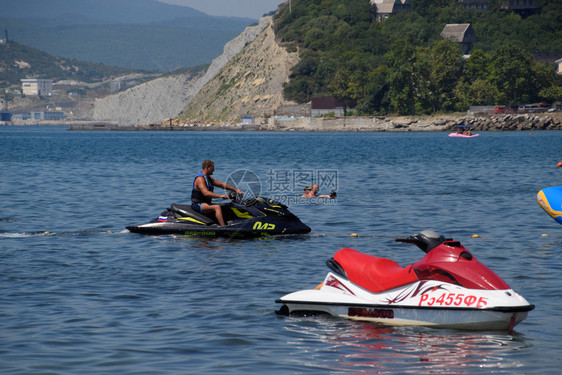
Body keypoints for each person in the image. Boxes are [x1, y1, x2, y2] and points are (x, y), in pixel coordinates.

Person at [191, 160, 242, 226]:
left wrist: (236, 189)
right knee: (217, 207)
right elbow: (206, 193)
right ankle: (223, 227)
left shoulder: (209, 179)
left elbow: (221, 185)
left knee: (225, 205)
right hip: (198, 204)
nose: (214, 170)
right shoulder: (200, 179)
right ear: (207, 168)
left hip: (206, 203)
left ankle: (231, 222)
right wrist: (221, 196)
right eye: (212, 168)